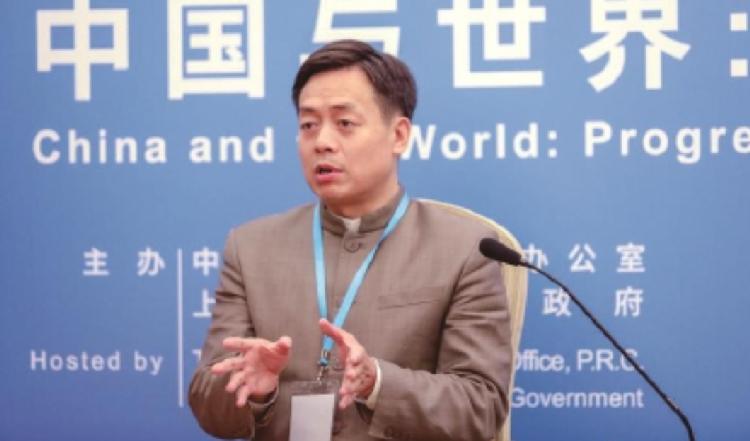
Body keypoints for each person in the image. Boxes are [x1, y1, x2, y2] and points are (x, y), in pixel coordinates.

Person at [189, 39, 512, 441]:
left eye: (344, 123)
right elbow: (207, 404)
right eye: (308, 125)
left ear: (399, 135)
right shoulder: (251, 248)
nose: (322, 141)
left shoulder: (464, 249)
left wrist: (377, 382)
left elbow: (481, 406)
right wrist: (253, 391)